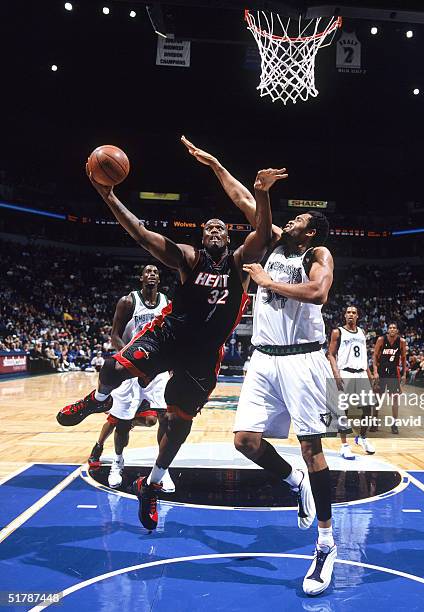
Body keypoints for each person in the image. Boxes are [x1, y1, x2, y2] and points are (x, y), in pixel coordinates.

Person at [57, 143, 284, 531]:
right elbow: (144, 237)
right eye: (208, 227)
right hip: (168, 336)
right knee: (113, 369)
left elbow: (263, 234)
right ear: (201, 236)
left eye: (221, 227)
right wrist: (109, 197)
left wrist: (259, 194)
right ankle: (97, 401)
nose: (215, 228)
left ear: (229, 237)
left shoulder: (241, 264)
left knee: (179, 423)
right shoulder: (190, 258)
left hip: (203, 355)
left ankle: (153, 482)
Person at [195, 146, 339, 595]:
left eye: (298, 219)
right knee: (245, 441)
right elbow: (244, 201)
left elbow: (317, 294)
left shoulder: (318, 253)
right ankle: (293, 482)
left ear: (310, 230)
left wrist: (268, 283)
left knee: (313, 448)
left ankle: (326, 543)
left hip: (303, 357)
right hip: (264, 357)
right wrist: (220, 166)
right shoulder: (275, 240)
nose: (289, 220)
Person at [87, 264, 174, 492]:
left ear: (160, 278)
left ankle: (162, 470)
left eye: (155, 272)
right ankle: (117, 462)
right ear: (141, 278)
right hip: (130, 368)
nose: (152, 274)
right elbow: (114, 335)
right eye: (148, 271)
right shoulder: (128, 301)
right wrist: (129, 360)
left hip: (156, 369)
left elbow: (171, 336)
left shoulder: (167, 303)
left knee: (164, 418)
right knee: (122, 422)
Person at [327, 305, 375, 457]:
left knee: (368, 409)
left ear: (357, 316)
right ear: (344, 315)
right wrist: (336, 373)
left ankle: (362, 437)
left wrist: (369, 373)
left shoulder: (362, 332)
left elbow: (363, 356)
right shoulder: (338, 332)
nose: (351, 315)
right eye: (348, 312)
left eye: (354, 313)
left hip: (361, 373)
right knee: (344, 411)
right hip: (345, 373)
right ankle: (344, 445)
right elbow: (331, 354)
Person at [372, 323, 407, 434]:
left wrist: (404, 374)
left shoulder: (401, 342)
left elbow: (404, 358)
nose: (392, 329)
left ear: (397, 330)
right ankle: (374, 422)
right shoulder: (381, 339)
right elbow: (375, 356)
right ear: (388, 330)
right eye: (390, 328)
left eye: (394, 328)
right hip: (382, 371)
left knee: (395, 399)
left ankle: (394, 424)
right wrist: (375, 372)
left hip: (393, 372)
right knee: (378, 398)